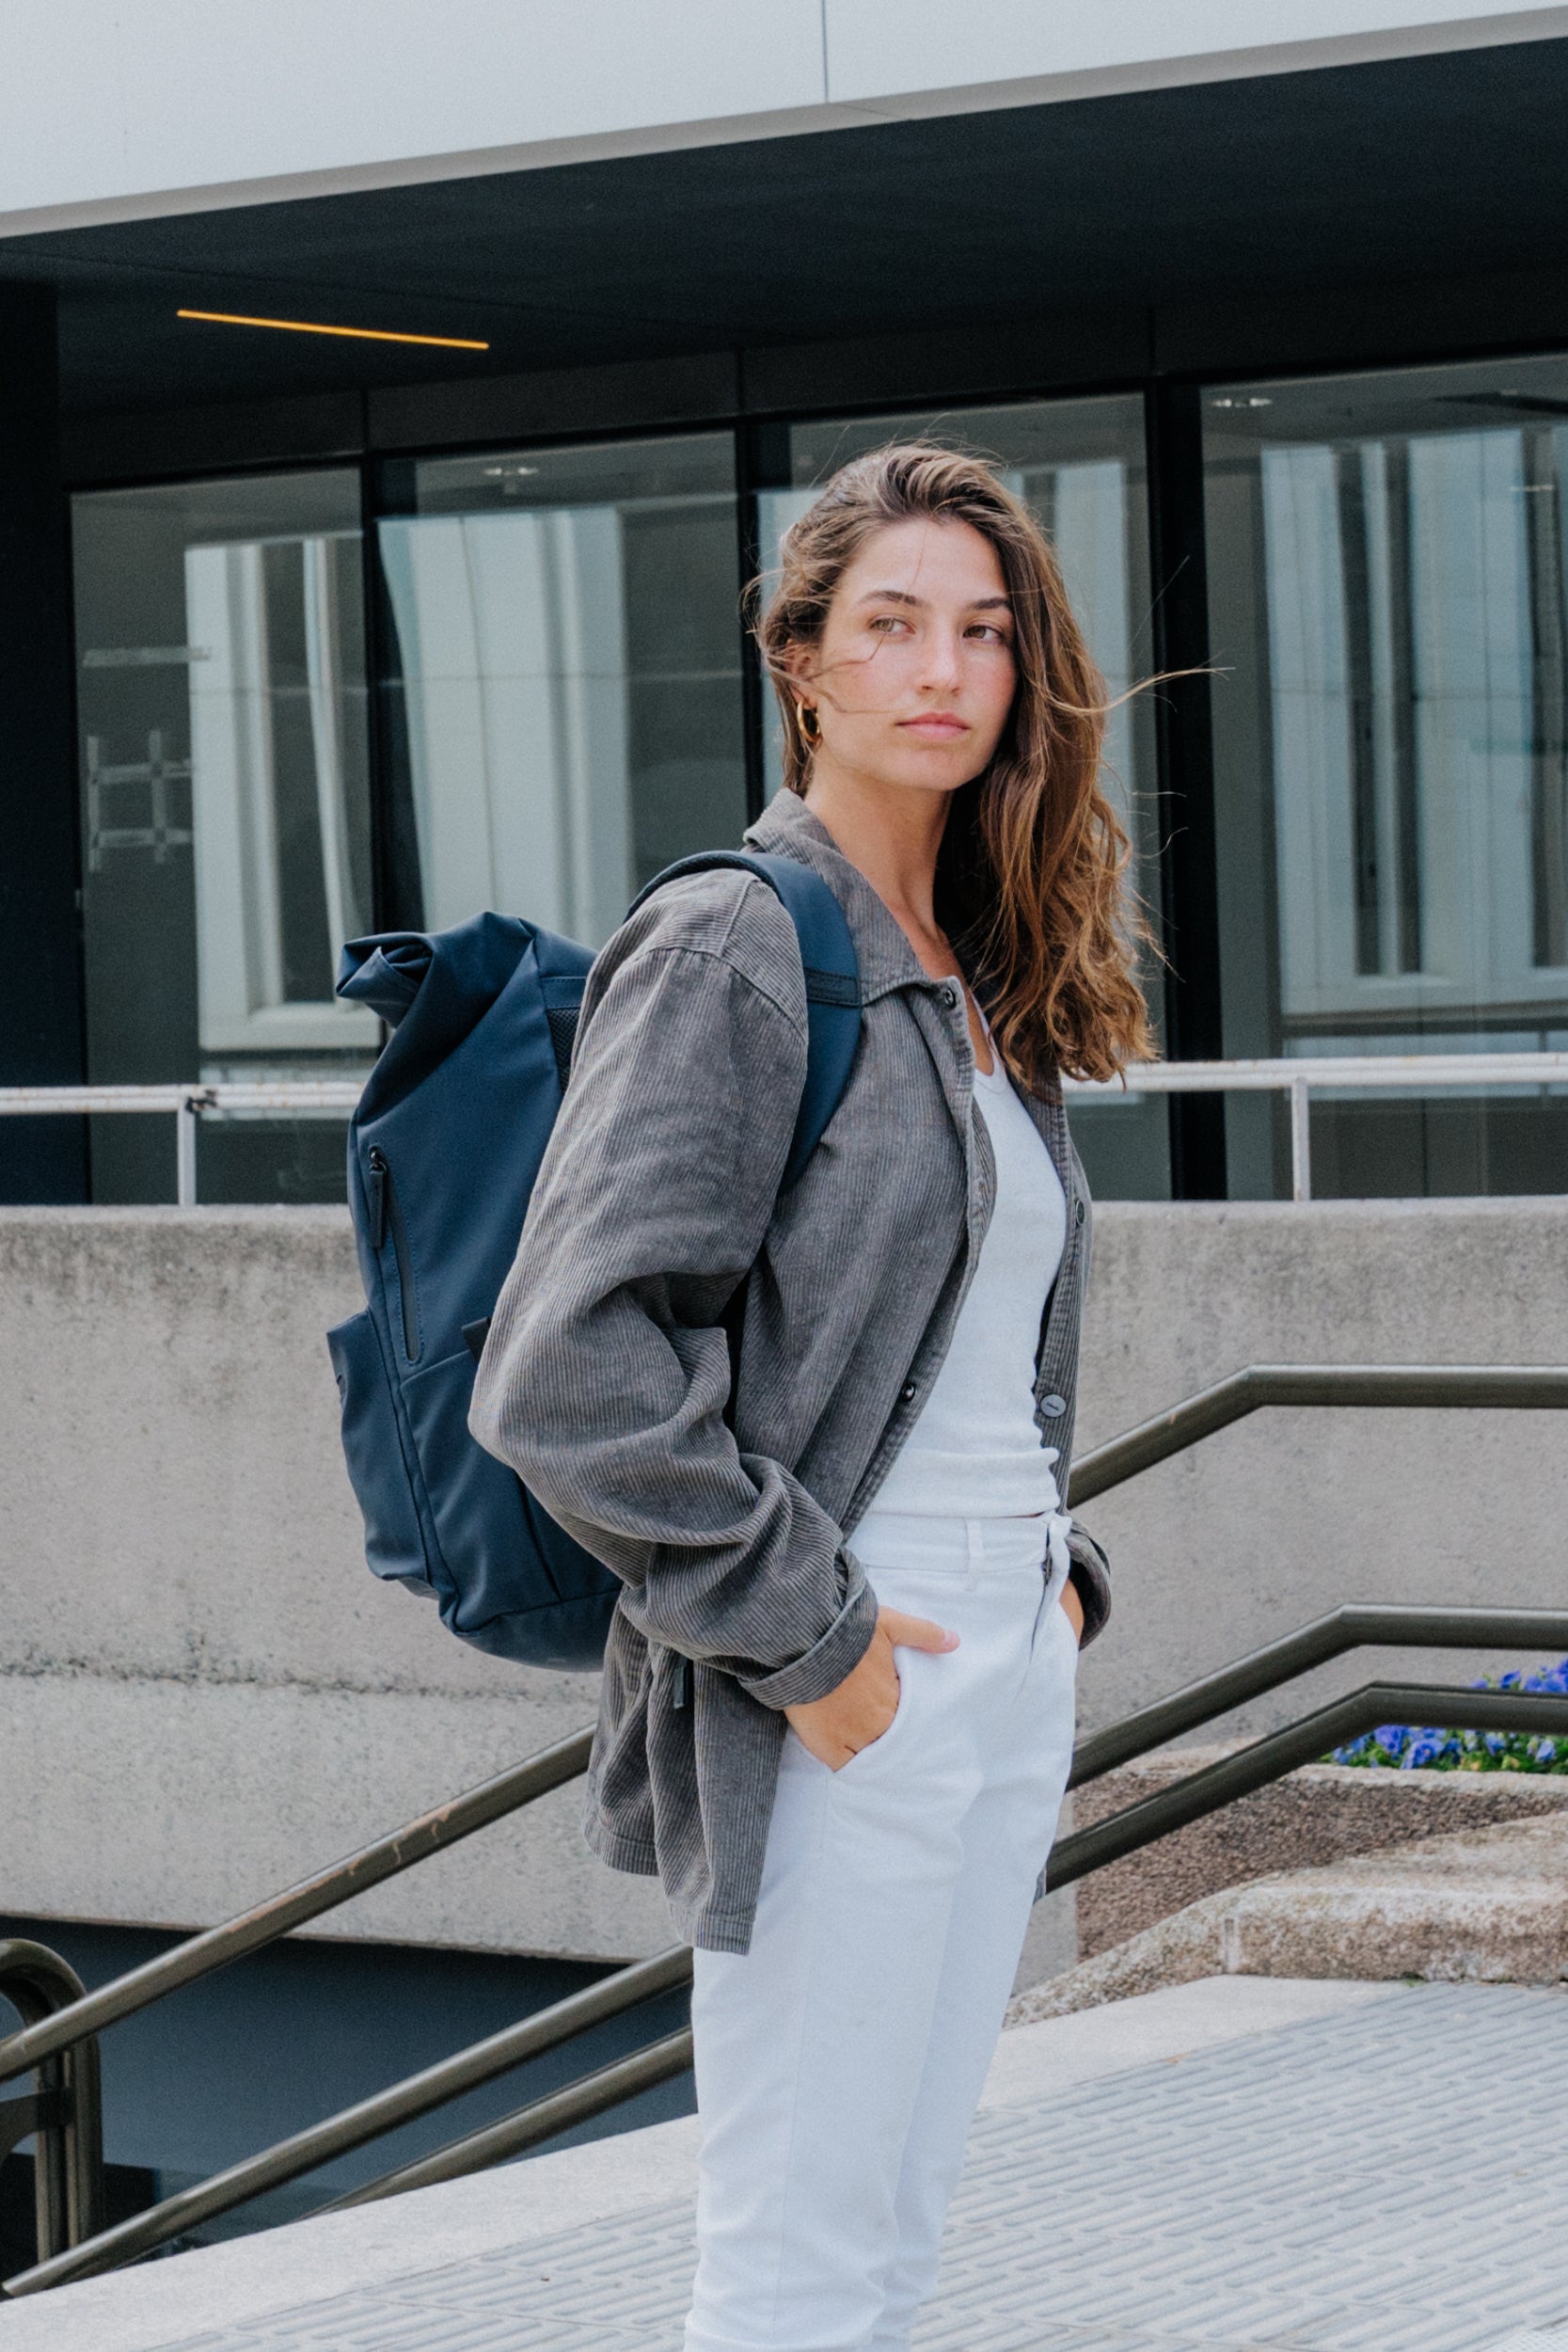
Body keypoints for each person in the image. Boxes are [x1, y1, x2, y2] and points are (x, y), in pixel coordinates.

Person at [469, 441, 1155, 2352]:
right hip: (850, 1660)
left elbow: (957, 1338)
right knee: (797, 2256)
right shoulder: (741, 942)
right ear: (802, 661)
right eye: (892, 625)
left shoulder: (974, 966)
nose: (943, 669)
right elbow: (566, 1362)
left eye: (984, 632)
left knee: (894, 2232)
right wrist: (810, 1632)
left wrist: (1056, 1574)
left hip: (1001, 1653)